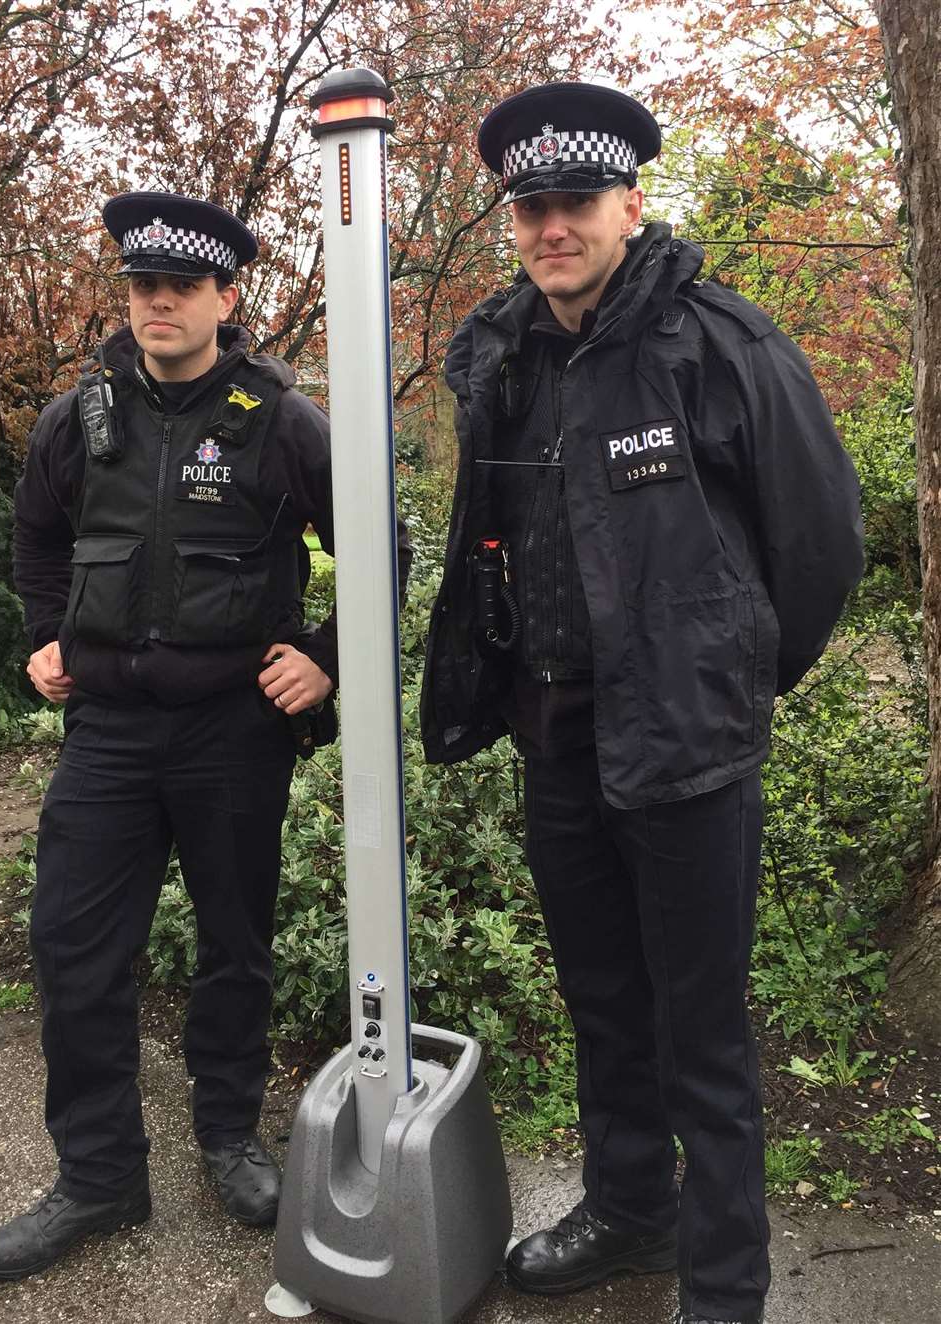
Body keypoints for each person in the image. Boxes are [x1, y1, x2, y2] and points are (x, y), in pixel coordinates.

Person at [420, 84, 863, 1324]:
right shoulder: (503, 353)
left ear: (630, 202)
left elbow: (822, 539)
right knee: (601, 998)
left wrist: (727, 676)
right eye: (531, 206)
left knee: (702, 1037)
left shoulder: (717, 343)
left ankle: (724, 1287)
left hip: (687, 747)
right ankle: (630, 1210)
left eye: (575, 203)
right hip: (555, 733)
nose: (551, 225)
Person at [0, 192, 409, 1281]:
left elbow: (377, 541)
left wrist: (327, 653)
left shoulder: (280, 421)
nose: (158, 302)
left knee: (233, 947)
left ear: (225, 297)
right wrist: (42, 632)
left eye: (181, 286)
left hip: (233, 730)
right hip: (109, 732)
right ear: (127, 296)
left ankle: (227, 1135)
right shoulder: (82, 418)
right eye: (141, 285)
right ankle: (99, 1175)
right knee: (73, 948)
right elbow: (34, 533)